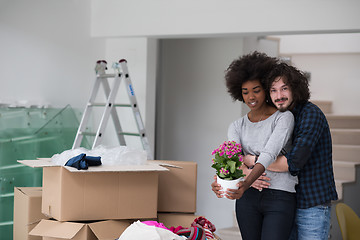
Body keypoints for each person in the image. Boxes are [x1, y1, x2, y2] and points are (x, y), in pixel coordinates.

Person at [234, 62, 338, 240]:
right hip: (286, 200)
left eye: (284, 89)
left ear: (295, 89)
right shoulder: (277, 117)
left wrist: (250, 160)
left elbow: (292, 162)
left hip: (311, 204)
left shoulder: (310, 114)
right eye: (273, 90)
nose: (279, 95)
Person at [211, 52, 298, 240]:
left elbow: (269, 154)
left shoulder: (283, 118)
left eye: (256, 90)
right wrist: (218, 181)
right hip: (248, 198)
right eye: (245, 92)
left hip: (279, 197)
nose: (251, 96)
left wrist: (247, 178)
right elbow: (231, 161)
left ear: (266, 89)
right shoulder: (236, 126)